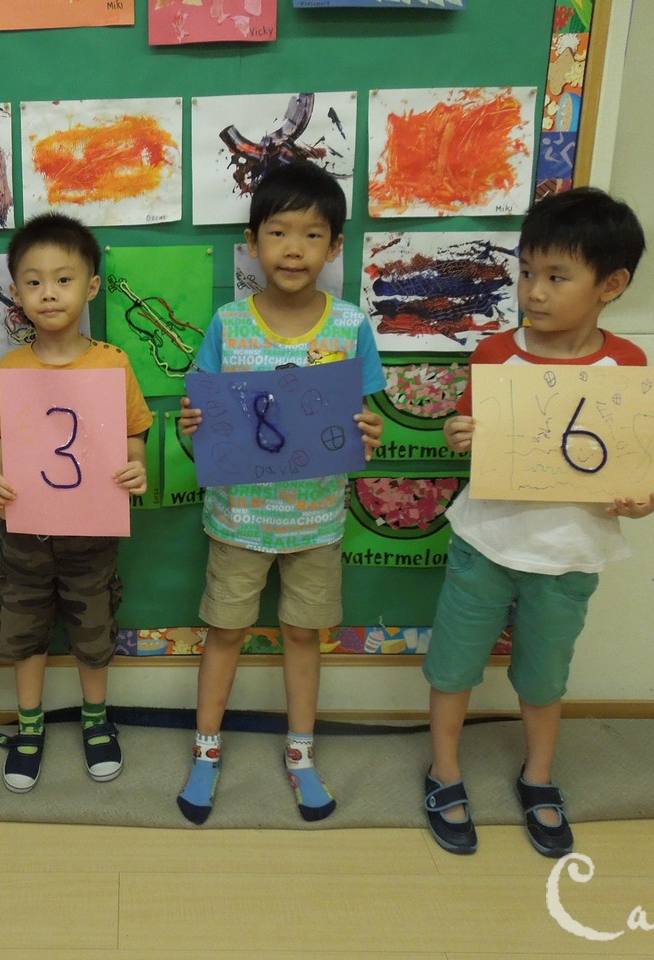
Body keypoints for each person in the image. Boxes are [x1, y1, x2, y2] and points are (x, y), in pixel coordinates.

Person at [421, 187, 654, 858]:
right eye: (527, 272)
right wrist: (458, 433)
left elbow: (634, 474)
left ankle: (539, 775)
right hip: (485, 541)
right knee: (453, 665)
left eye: (557, 277)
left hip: (569, 555)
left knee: (545, 676)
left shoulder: (625, 366)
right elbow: (466, 432)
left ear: (611, 285)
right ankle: (443, 770)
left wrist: (640, 501)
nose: (534, 291)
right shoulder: (496, 354)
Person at [176, 161, 385, 825]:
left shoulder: (349, 326)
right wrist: (191, 425)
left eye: (312, 235)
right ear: (252, 243)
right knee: (225, 632)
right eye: (278, 232)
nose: (294, 249)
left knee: (302, 633)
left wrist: (370, 433)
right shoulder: (229, 323)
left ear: (335, 247)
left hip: (316, 522)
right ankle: (206, 749)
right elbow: (199, 418)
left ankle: (301, 752)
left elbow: (364, 422)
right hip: (238, 520)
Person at [0, 213, 152, 793]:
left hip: (92, 533)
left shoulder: (113, 362)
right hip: (24, 536)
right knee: (23, 629)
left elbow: (134, 433)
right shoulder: (10, 369)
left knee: (93, 628)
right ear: (16, 292)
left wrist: (136, 465)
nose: (48, 293)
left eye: (63, 279)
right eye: (33, 282)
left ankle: (96, 720)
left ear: (92, 286)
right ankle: (29, 726)